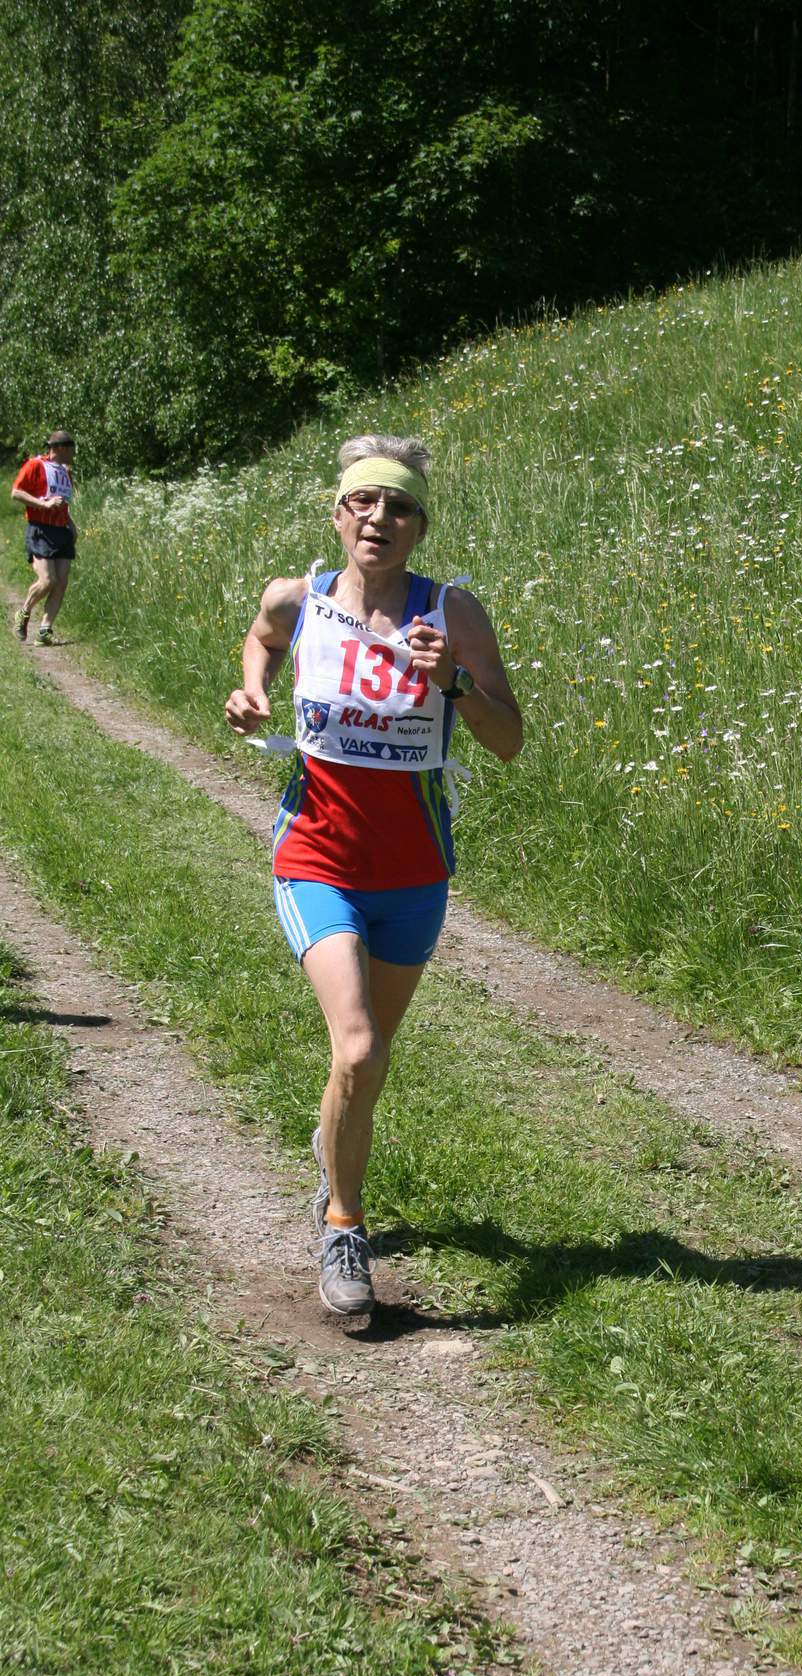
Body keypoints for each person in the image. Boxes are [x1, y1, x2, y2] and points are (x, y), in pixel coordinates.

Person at [225, 433, 522, 1314]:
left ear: (419, 527)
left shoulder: (452, 613)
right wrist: (252, 691)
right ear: (338, 513)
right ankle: (343, 1225)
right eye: (363, 501)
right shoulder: (299, 597)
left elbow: (509, 741)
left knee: (366, 1062)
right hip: (315, 855)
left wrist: (453, 683)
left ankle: (334, 1159)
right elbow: (261, 638)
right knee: (355, 1046)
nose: (378, 519)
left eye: (399, 507)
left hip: (415, 871)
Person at [11, 428, 76, 644]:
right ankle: (24, 611)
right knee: (47, 580)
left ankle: (45, 630)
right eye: (72, 449)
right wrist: (44, 504)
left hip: (62, 531)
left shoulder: (66, 472)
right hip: (40, 529)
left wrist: (71, 524)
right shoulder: (35, 465)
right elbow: (16, 492)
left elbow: (62, 502)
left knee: (61, 582)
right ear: (61, 448)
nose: (74, 453)